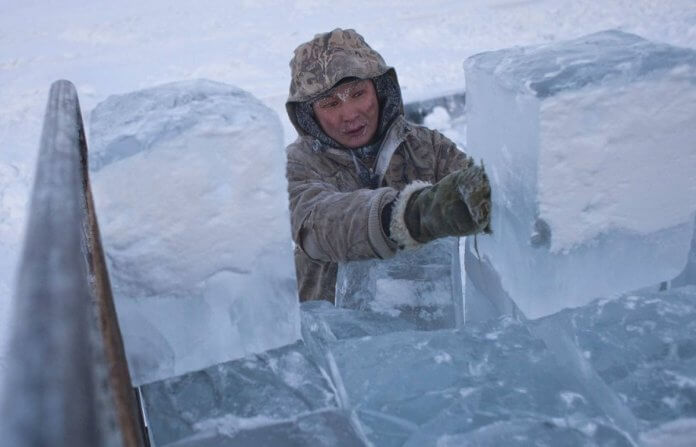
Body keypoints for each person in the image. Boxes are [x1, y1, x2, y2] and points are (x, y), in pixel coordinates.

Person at [285, 28, 491, 303]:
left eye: (358, 93)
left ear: (380, 91)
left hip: (429, 329)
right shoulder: (295, 165)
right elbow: (317, 226)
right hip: (331, 337)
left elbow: (487, 190)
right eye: (330, 103)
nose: (350, 114)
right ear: (309, 115)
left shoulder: (427, 147)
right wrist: (409, 214)